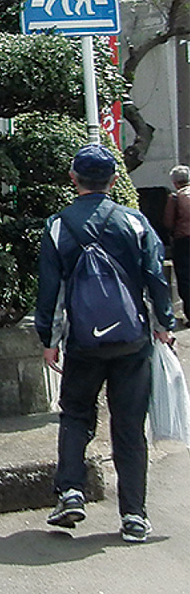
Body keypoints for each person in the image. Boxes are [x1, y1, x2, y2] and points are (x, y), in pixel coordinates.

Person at [35, 145, 176, 545]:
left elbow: (49, 290)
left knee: (76, 415)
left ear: (72, 178)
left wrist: (48, 339)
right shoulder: (133, 222)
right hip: (132, 341)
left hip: (83, 341)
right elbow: (155, 277)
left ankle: (71, 492)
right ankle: (134, 516)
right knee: (130, 426)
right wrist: (164, 324)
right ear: (115, 181)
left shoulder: (59, 226)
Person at [163, 164, 190, 321]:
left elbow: (168, 222)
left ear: (174, 182)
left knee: (186, 277)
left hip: (183, 241)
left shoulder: (175, 198)